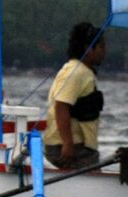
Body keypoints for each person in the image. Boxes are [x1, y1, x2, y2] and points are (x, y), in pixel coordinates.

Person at [45, 22, 107, 170]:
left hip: (82, 145)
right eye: (101, 47)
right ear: (88, 48)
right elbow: (61, 106)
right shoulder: (76, 72)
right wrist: (68, 144)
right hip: (73, 148)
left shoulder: (84, 72)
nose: (104, 52)